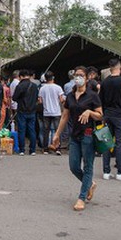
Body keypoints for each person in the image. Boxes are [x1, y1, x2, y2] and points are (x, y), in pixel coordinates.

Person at [52, 66, 102, 211]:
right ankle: (90, 184)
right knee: (73, 166)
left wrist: (89, 112)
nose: (78, 77)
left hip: (88, 135)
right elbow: (64, 116)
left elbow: (100, 115)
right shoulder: (70, 96)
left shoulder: (92, 96)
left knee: (88, 166)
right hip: (74, 135)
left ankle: (81, 197)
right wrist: (57, 134)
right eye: (76, 75)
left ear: (86, 78)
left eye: (81, 75)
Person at [99, 59, 121, 181]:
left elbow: (101, 100)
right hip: (120, 116)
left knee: (106, 143)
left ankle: (106, 171)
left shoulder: (105, 82)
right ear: (119, 67)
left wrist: (103, 115)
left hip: (107, 115)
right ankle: (120, 171)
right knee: (120, 143)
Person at [13, 70, 39, 156]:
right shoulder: (34, 86)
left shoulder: (20, 86)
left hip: (22, 110)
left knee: (21, 130)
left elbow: (14, 98)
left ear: (21, 76)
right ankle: (32, 150)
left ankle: (22, 150)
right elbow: (36, 98)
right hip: (32, 110)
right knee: (32, 130)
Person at [38, 71, 65, 156]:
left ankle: (45, 149)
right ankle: (58, 148)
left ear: (45, 79)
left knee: (46, 131)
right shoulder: (58, 87)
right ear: (53, 78)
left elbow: (40, 101)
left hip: (46, 112)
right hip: (56, 112)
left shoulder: (42, 88)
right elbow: (61, 99)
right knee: (58, 130)